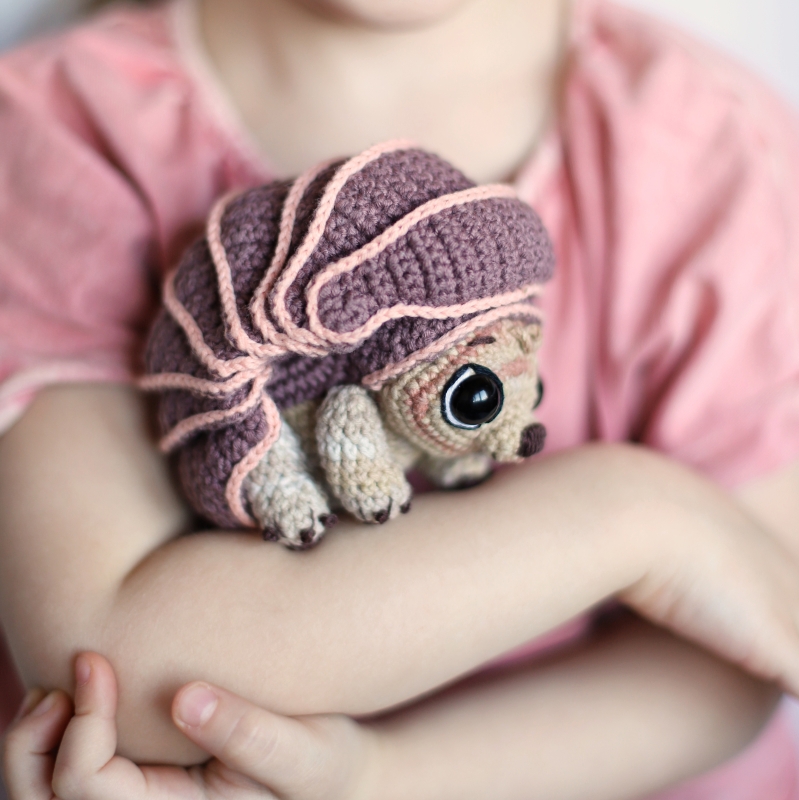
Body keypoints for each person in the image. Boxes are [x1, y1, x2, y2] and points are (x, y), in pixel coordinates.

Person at [1, 0, 799, 797]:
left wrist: (388, 778)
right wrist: (641, 518)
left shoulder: (713, 152)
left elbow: (751, 643)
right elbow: (116, 675)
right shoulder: (63, 133)